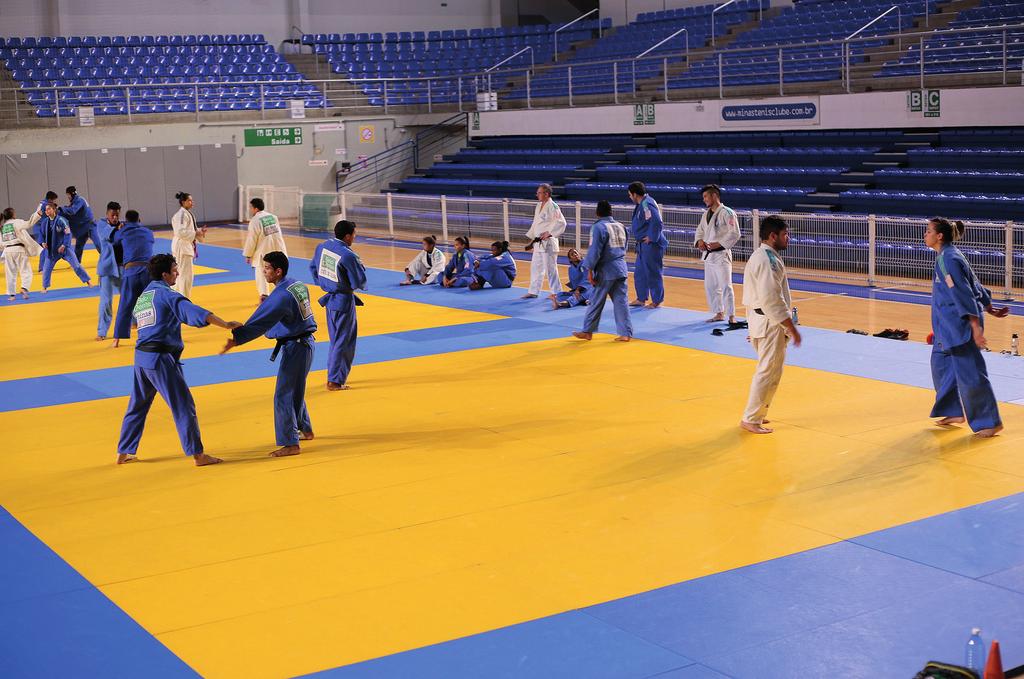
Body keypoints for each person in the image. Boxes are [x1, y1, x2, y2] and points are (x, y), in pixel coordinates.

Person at [115, 254, 237, 466]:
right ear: (164, 274)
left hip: (141, 358)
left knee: (138, 405)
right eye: (174, 270)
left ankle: (123, 452)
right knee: (183, 405)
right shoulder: (166, 295)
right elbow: (195, 312)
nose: (178, 273)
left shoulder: (144, 297)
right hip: (159, 359)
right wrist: (226, 324)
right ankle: (198, 455)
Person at [223, 251, 317, 457]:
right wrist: (269, 302)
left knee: (284, 394)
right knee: (295, 389)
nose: (263, 272)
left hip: (297, 347)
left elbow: (262, 321)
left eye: (266, 268)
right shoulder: (297, 285)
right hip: (305, 344)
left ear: (278, 271)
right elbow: (280, 310)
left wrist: (238, 337)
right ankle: (306, 429)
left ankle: (290, 444)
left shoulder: (281, 296)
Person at [926, 217, 1007, 438]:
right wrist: (989, 306)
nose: (925, 235)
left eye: (928, 231)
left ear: (939, 236)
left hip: (959, 326)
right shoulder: (947, 256)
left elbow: (964, 292)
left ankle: (988, 422)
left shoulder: (948, 260)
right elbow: (975, 283)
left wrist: (975, 327)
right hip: (945, 329)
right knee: (941, 366)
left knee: (971, 373)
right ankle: (952, 411)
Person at [740, 215, 800, 435]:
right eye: (785, 235)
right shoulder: (767, 260)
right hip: (770, 324)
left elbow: (753, 297)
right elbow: (771, 300)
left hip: (761, 320)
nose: (789, 238)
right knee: (767, 372)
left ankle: (759, 413)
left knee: (772, 371)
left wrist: (752, 325)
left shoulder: (761, 256)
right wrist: (790, 327)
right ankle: (751, 418)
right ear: (772, 236)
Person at [310, 219, 367, 391]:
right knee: (344, 341)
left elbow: (313, 268)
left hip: (330, 300)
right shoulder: (348, 255)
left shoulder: (322, 247)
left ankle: (333, 375)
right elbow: (359, 281)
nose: (354, 238)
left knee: (336, 340)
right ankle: (334, 380)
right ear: (348, 236)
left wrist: (326, 284)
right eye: (354, 235)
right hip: (343, 301)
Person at [572, 201, 633, 341]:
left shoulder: (598, 227)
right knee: (621, 301)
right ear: (611, 213)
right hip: (621, 267)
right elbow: (625, 247)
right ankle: (625, 333)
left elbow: (595, 251)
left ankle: (587, 331)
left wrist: (589, 271)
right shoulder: (622, 226)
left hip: (606, 270)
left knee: (596, 300)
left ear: (597, 213)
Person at [694, 184, 741, 323]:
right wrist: (700, 242)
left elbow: (735, 233)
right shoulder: (706, 214)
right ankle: (719, 312)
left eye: (706, 196)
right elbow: (700, 231)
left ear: (714, 196)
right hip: (709, 256)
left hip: (721, 255)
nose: (704, 200)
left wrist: (719, 243)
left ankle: (731, 315)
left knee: (726, 285)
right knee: (711, 286)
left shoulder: (727, 212)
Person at [111, 210, 155, 347]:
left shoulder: (123, 231)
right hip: (148, 272)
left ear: (127, 220)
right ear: (139, 219)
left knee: (125, 304)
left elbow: (114, 241)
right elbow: (150, 242)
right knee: (150, 304)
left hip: (131, 272)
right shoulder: (148, 232)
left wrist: (120, 228)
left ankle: (117, 339)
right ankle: (153, 334)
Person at [628, 181, 668, 309]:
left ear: (634, 194)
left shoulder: (646, 203)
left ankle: (656, 300)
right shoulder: (642, 203)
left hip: (651, 245)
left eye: (630, 195)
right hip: (642, 245)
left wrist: (652, 237)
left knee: (652, 272)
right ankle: (641, 298)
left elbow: (656, 221)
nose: (630, 197)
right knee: (640, 273)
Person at [523, 183, 567, 299]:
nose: (537, 195)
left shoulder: (553, 206)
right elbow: (536, 224)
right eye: (537, 192)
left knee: (550, 268)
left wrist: (550, 232)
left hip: (548, 242)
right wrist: (532, 240)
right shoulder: (539, 206)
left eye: (539, 193)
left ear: (546, 194)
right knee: (536, 267)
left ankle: (557, 292)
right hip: (538, 242)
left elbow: (561, 222)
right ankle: (533, 291)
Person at [243, 197, 288, 302]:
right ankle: (282, 295)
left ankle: (264, 297)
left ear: (255, 208)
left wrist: (248, 255)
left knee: (261, 273)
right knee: (279, 273)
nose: (250, 210)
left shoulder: (255, 220)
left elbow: (251, 239)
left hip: (264, 252)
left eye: (251, 207)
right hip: (278, 249)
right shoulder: (273, 217)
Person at [40, 202, 91, 292]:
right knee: (46, 269)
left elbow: (68, 234)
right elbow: (41, 234)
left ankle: (88, 281)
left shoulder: (61, 220)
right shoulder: (45, 222)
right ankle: (44, 287)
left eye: (49, 209)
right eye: (45, 210)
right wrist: (43, 242)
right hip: (52, 251)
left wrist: (64, 245)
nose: (46, 211)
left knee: (76, 266)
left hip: (64, 249)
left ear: (54, 209)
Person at [95, 202, 124, 340]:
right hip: (107, 269)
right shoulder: (101, 225)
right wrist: (120, 228)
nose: (115, 217)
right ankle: (102, 332)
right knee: (106, 301)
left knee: (129, 297)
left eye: (117, 214)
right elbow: (108, 236)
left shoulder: (122, 225)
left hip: (123, 267)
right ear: (107, 214)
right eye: (112, 214)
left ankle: (135, 322)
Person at [170, 191, 205, 298]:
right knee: (185, 275)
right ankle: (183, 299)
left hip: (185, 246)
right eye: (189, 200)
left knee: (181, 275)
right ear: (183, 202)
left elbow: (188, 230)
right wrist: (196, 233)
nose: (192, 202)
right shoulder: (181, 215)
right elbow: (180, 231)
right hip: (182, 247)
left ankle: (176, 297)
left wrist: (199, 231)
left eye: (192, 200)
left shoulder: (186, 214)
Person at [1, 208, 41, 300]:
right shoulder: (17, 222)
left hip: (7, 251)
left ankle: (12, 295)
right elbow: (29, 223)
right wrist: (37, 214)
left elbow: (1, 243)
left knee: (10, 273)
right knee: (25, 271)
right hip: (18, 249)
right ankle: (24, 288)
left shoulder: (3, 227)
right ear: (13, 215)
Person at [59, 186, 98, 262]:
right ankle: (77, 264)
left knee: (98, 244)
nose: (68, 197)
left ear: (71, 194)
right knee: (78, 247)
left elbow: (72, 211)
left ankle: (109, 260)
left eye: (68, 195)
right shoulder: (74, 203)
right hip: (82, 229)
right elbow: (69, 212)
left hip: (90, 226)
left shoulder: (80, 200)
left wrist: (61, 209)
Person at [27, 191, 58, 273]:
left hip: (41, 227)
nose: (54, 202)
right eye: (54, 200)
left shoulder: (43, 203)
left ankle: (47, 267)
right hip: (40, 228)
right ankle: (42, 268)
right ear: (50, 199)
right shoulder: (45, 205)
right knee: (45, 248)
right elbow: (39, 215)